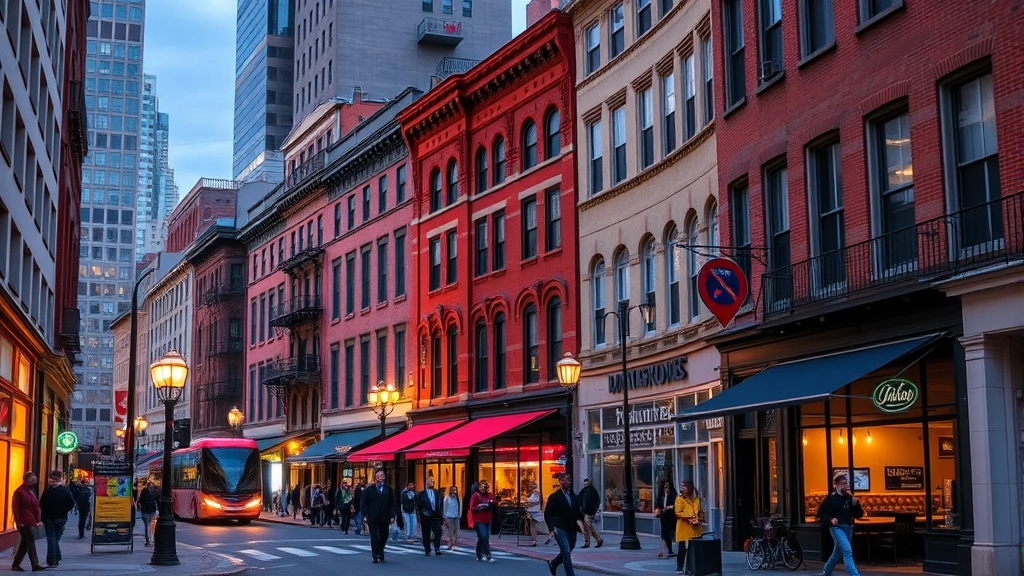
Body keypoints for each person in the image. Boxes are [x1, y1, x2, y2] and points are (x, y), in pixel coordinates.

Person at [815, 473, 864, 576]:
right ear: (836, 485)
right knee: (847, 550)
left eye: (845, 483)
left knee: (837, 553)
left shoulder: (849, 498)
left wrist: (855, 502)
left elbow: (859, 514)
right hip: (837, 528)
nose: (844, 485)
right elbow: (820, 514)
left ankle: (826, 572)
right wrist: (830, 520)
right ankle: (854, 574)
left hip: (848, 528)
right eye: (842, 483)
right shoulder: (830, 499)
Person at [544, 473, 584, 576]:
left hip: (571, 528)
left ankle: (554, 563)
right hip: (559, 528)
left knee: (569, 549)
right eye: (565, 481)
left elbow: (577, 512)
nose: (567, 483)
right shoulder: (554, 497)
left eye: (569, 480)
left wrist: (582, 524)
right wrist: (551, 528)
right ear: (560, 482)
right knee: (566, 552)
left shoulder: (573, 496)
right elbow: (547, 514)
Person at [11, 471, 46, 572]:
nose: (35, 480)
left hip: (30, 520)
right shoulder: (19, 492)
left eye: (35, 479)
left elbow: (35, 507)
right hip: (24, 521)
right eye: (33, 479)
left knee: (25, 543)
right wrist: (18, 521)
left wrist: (37, 520)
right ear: (27, 479)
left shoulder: (32, 490)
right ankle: (34, 564)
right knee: (30, 541)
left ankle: (16, 564)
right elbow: (16, 507)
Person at [39, 470, 75, 568]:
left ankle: (53, 560)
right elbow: (71, 503)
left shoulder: (47, 492)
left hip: (49, 518)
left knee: (52, 539)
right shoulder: (65, 491)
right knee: (55, 539)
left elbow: (41, 504)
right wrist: (64, 511)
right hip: (61, 518)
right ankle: (56, 557)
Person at [360, 469, 395, 563]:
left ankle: (380, 550)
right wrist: (364, 515)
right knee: (375, 536)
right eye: (379, 476)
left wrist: (392, 516)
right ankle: (375, 555)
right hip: (373, 516)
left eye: (382, 475)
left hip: (385, 516)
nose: (381, 477)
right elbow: (363, 503)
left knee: (384, 535)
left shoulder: (388, 489)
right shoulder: (369, 490)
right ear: (375, 478)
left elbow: (392, 504)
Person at [674, 480, 704, 575]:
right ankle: (679, 567)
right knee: (682, 548)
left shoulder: (696, 499)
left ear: (689, 488)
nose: (682, 488)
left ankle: (693, 566)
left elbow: (700, 511)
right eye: (682, 486)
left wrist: (699, 519)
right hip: (684, 526)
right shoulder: (680, 499)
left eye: (684, 486)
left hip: (695, 527)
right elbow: (677, 512)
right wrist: (689, 517)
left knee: (694, 548)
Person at [469, 480, 496, 562]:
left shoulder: (491, 495)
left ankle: (479, 553)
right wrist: (478, 507)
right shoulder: (475, 496)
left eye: (485, 487)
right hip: (479, 520)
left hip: (488, 519)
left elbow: (495, 503)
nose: (483, 489)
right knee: (483, 536)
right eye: (481, 487)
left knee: (485, 537)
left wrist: (492, 504)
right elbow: (471, 507)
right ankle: (488, 555)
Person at [416, 476, 444, 556]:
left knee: (438, 531)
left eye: (433, 480)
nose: (432, 482)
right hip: (426, 515)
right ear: (426, 482)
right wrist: (420, 516)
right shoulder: (421, 495)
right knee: (426, 533)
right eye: (431, 480)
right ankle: (427, 549)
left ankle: (437, 547)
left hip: (436, 515)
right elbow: (418, 507)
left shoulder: (437, 493)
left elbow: (440, 505)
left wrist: (441, 516)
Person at [578, 477, 603, 548]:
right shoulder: (584, 491)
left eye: (587, 483)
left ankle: (598, 539)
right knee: (586, 526)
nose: (585, 484)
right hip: (585, 511)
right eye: (585, 483)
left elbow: (596, 501)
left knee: (588, 525)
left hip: (589, 511)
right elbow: (580, 500)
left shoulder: (592, 491)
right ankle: (587, 542)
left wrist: (594, 509)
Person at [655, 480, 678, 559]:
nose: (666, 488)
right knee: (665, 533)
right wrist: (658, 510)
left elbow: (676, 504)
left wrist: (669, 507)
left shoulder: (673, 494)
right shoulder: (662, 495)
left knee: (670, 532)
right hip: (664, 516)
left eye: (668, 486)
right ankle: (667, 551)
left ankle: (666, 550)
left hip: (671, 515)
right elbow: (658, 504)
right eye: (665, 486)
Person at [137, 481, 159, 546]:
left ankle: (148, 540)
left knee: (148, 525)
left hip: (146, 511)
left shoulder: (144, 491)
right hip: (151, 510)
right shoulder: (154, 492)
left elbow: (141, 500)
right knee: (152, 526)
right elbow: (157, 498)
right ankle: (151, 539)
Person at [442, 485, 461, 550]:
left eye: (455, 490)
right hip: (449, 517)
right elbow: (444, 507)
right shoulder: (447, 498)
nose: (454, 491)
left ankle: (453, 543)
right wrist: (444, 517)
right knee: (451, 532)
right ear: (450, 490)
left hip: (456, 516)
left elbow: (459, 507)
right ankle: (451, 544)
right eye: (452, 489)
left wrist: (459, 515)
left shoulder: (458, 498)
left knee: (457, 532)